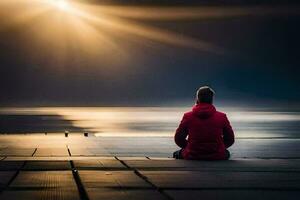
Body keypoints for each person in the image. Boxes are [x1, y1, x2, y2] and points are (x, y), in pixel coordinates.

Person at [173, 86, 234, 160]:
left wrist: (189, 147)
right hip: (216, 155)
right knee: (226, 153)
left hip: (193, 154)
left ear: (197, 99)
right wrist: (219, 147)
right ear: (211, 100)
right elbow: (230, 139)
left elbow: (178, 138)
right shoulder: (222, 116)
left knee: (176, 153)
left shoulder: (188, 116)